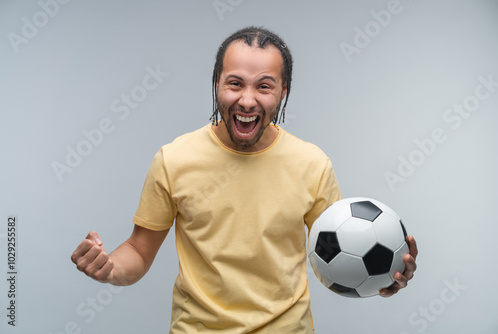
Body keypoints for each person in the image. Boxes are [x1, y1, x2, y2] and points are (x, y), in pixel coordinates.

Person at [71, 26, 418, 333]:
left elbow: (337, 258)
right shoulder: (174, 159)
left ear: (283, 91)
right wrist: (110, 267)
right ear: (217, 84)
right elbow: (138, 251)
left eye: (264, 86)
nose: (247, 100)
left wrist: (382, 279)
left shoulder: (313, 164)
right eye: (234, 83)